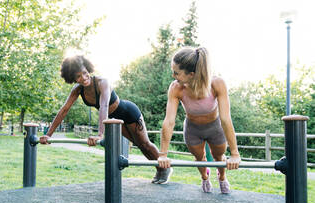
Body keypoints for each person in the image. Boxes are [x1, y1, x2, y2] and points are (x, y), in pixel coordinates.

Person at [39, 55, 173, 184]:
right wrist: (48, 135)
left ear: (88, 69)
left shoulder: (102, 82)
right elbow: (64, 110)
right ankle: (159, 169)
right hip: (113, 121)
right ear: (73, 78)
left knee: (145, 144)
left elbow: (104, 106)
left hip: (129, 113)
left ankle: (165, 168)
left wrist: (100, 135)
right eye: (78, 76)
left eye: (85, 73)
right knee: (139, 145)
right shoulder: (77, 90)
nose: (84, 78)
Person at [157, 47, 241, 193]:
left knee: (219, 156)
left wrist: (235, 154)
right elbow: (169, 121)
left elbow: (225, 119)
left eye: (176, 73)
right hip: (193, 129)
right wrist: (163, 154)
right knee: (199, 158)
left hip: (215, 128)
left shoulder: (217, 84)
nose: (173, 75)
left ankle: (221, 177)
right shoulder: (176, 88)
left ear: (191, 74)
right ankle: (204, 177)